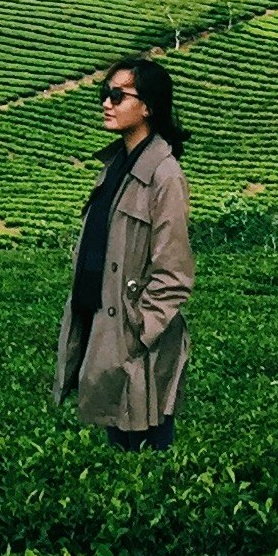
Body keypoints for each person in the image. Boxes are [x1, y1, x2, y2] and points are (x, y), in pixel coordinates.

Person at [56, 55, 193, 452]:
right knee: (117, 451)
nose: (107, 103)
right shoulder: (115, 165)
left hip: (136, 342)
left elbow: (173, 272)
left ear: (147, 106)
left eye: (119, 95)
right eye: (106, 93)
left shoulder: (164, 175)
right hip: (106, 329)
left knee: (145, 455)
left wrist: (138, 329)